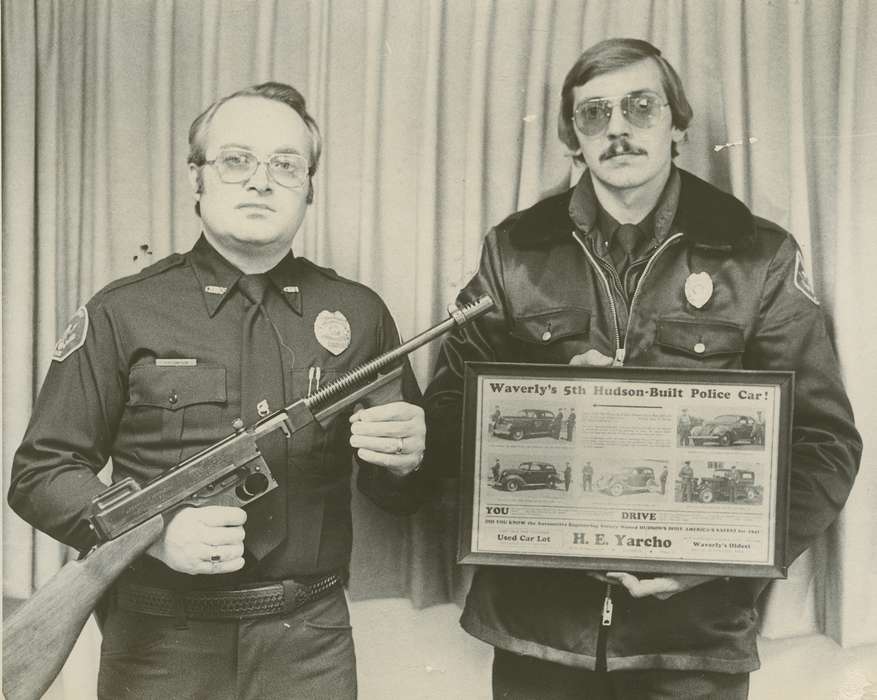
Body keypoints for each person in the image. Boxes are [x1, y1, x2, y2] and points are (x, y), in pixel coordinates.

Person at [423, 38, 860, 699]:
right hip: (537, 636)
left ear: (676, 123)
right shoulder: (513, 251)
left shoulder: (757, 254)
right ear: (573, 137)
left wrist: (717, 561)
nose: (617, 128)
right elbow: (452, 418)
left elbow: (824, 445)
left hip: (692, 645)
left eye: (639, 106)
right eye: (593, 114)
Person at [8, 82, 427, 700]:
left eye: (286, 164)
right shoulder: (124, 312)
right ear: (196, 179)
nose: (261, 181)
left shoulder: (358, 315)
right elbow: (41, 472)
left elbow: (397, 497)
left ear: (309, 187)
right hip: (160, 644)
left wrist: (408, 460)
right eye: (236, 160)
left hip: (309, 642)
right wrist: (152, 531)